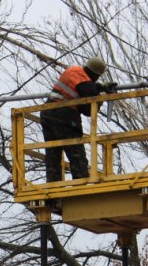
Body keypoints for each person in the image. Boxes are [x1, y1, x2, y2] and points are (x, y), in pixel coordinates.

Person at [41, 56, 118, 184]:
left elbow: (83, 86)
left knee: (52, 154)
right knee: (76, 154)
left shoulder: (74, 70)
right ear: (97, 75)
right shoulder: (86, 84)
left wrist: (99, 87)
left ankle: (52, 186)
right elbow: (88, 110)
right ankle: (80, 184)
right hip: (65, 117)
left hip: (47, 113)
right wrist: (101, 99)